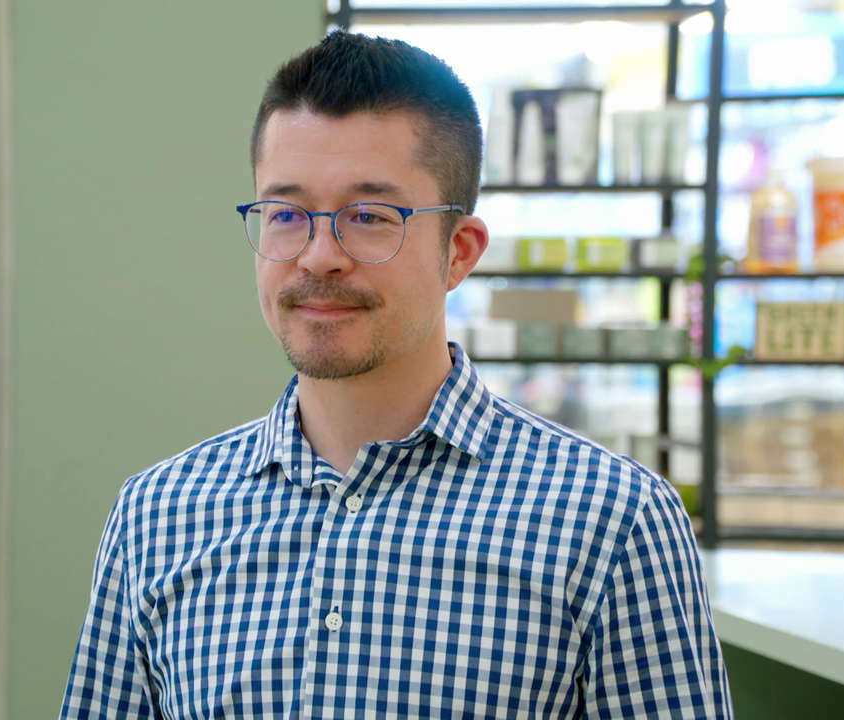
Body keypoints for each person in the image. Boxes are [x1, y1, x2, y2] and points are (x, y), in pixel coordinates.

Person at [60, 32, 732, 718]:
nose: (319, 256)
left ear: (459, 252)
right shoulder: (156, 516)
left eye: (369, 216)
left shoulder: (613, 523)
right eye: (286, 214)